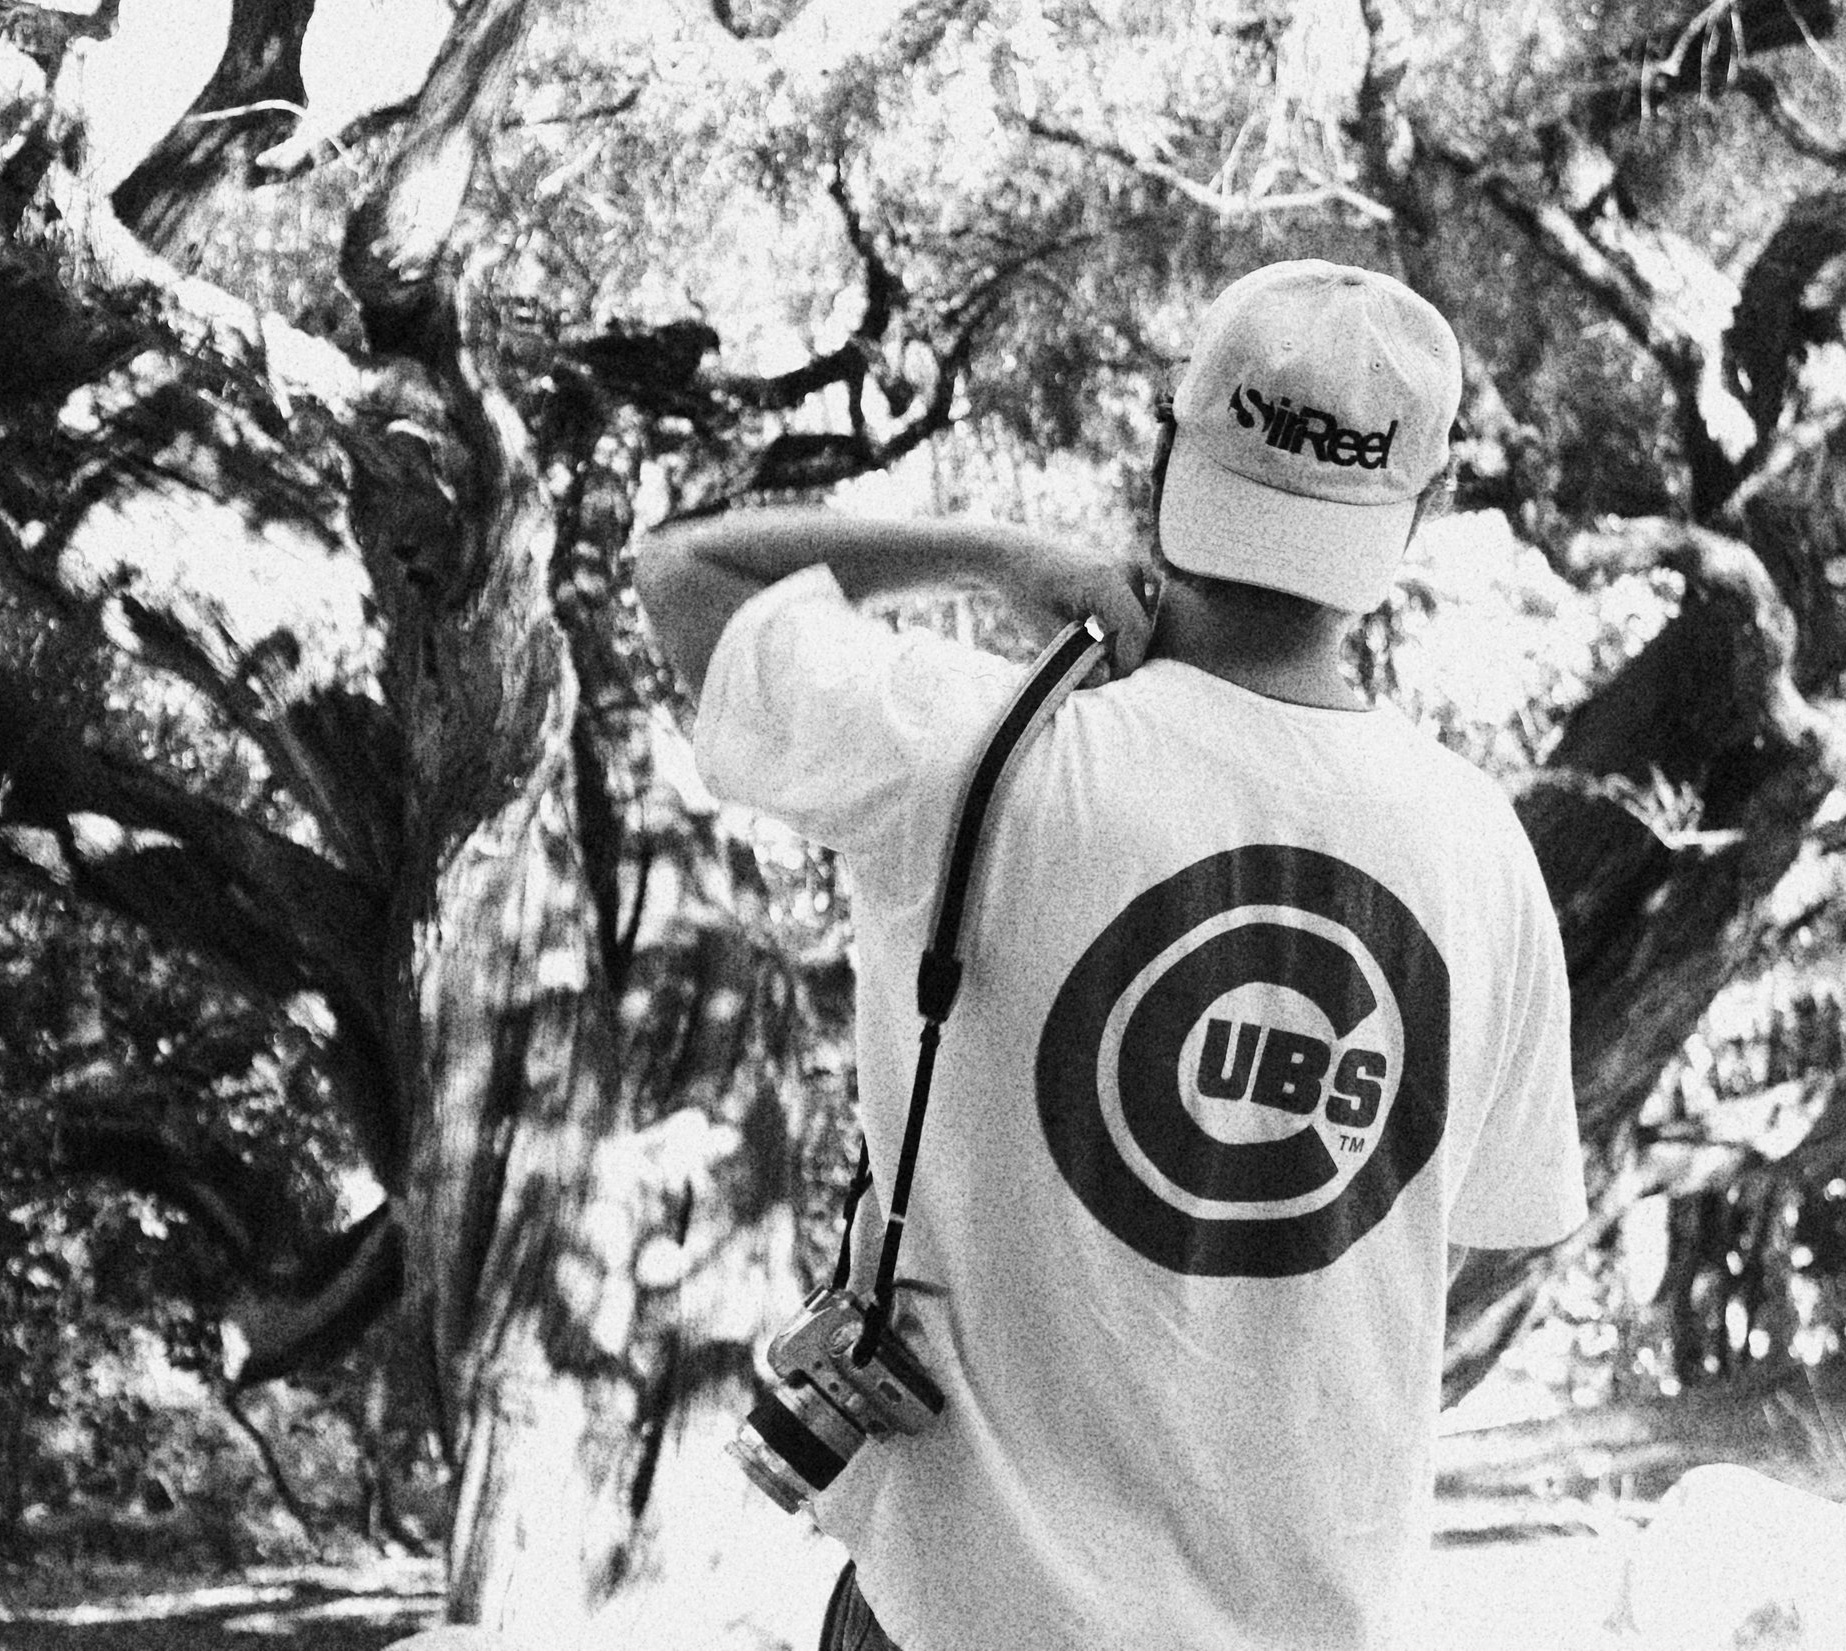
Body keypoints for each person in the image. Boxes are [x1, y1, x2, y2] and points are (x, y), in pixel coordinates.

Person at [635, 259, 1589, 1651]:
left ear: (1168, 452)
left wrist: (998, 555)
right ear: (1422, 508)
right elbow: (1492, 1228)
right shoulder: (1478, 847)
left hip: (961, 1613)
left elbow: (685, 575)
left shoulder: (979, 750)